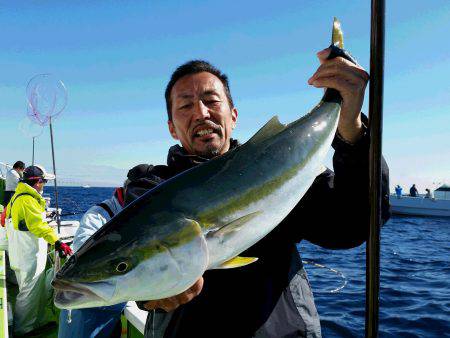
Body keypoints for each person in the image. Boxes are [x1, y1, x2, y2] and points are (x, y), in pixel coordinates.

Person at [125, 53, 390, 338]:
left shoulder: (278, 169)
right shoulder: (150, 189)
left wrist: (352, 131)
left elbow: (352, 225)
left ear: (234, 116)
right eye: (185, 105)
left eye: (212, 101)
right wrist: (149, 295)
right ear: (172, 128)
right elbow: (131, 256)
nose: (201, 113)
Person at [5, 165, 73, 336]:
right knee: (28, 294)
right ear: (36, 182)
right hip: (29, 255)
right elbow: (38, 225)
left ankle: (36, 323)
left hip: (22, 253)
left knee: (32, 291)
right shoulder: (28, 199)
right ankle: (24, 330)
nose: (44, 184)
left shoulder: (18, 196)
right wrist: (57, 242)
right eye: (43, 181)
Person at [58, 183, 128, 338]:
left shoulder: (139, 210)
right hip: (88, 305)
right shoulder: (99, 214)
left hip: (112, 306)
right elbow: (82, 246)